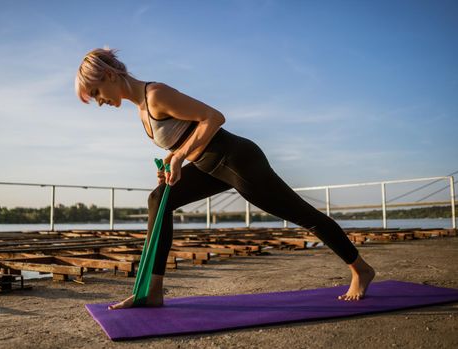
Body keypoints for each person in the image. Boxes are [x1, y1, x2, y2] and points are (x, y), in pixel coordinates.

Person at [75, 47, 376, 310]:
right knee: (158, 199)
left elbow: (213, 117)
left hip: (238, 160)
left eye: (97, 92)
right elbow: (185, 136)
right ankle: (153, 292)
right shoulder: (142, 110)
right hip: (210, 167)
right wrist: (172, 159)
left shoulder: (155, 95)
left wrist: (179, 156)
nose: (99, 101)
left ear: (110, 75)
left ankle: (359, 269)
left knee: (302, 214)